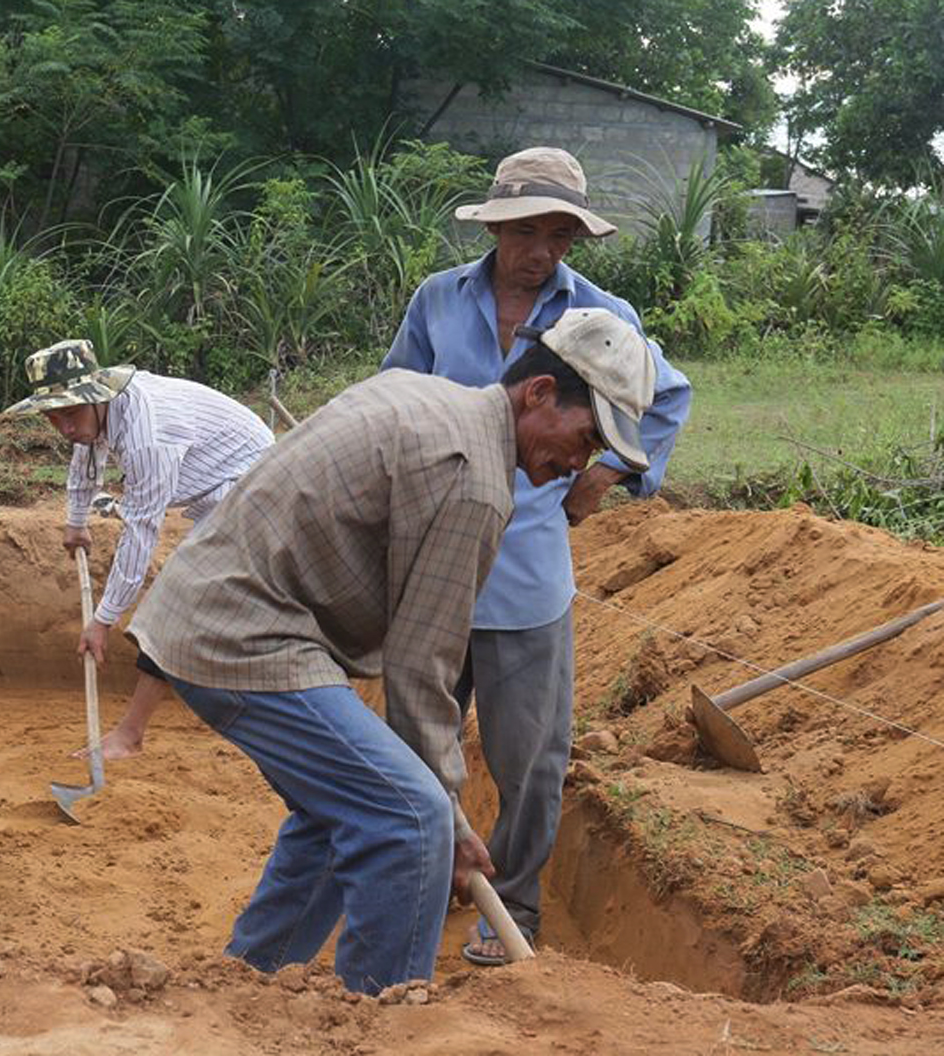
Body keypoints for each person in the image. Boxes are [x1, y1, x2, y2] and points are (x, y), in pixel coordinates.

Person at [128, 308, 657, 995]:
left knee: (345, 808)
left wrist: (448, 807)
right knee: (406, 821)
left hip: (222, 612)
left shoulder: (434, 398)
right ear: (538, 394)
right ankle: (382, 1017)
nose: (578, 465)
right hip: (243, 633)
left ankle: (246, 991)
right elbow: (421, 665)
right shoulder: (474, 480)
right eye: (585, 438)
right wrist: (445, 815)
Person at [383, 146, 692, 965]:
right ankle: (414, 887)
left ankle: (509, 908)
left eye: (559, 234)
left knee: (530, 763)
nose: (541, 250)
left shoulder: (600, 315)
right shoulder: (437, 302)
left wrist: (607, 472)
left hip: (525, 574)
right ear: (497, 227)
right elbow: (397, 397)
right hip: (432, 566)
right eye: (527, 230)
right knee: (413, 746)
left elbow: (671, 394)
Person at [0, 338, 274, 760]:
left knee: (177, 602)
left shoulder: (149, 435)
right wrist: (76, 523)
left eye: (71, 413)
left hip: (254, 491)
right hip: (215, 495)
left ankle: (130, 736)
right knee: (202, 604)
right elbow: (85, 454)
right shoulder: (100, 415)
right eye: (54, 419)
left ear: (97, 397)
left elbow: (142, 530)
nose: (66, 428)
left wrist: (103, 620)